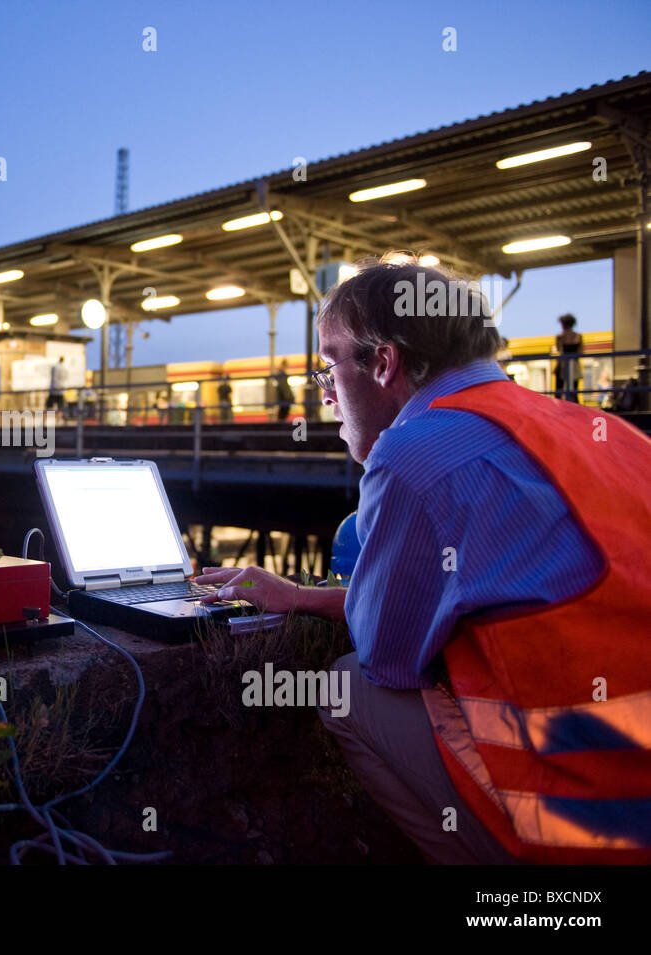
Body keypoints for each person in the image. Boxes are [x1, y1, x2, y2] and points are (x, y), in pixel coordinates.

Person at [196, 258, 651, 864]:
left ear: (384, 364)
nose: (325, 395)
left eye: (328, 368)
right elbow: (512, 591)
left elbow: (389, 660)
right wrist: (303, 595)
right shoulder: (602, 430)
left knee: (346, 687)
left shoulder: (411, 454)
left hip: (590, 824)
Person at [553, 313, 584, 402]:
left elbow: (559, 350)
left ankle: (558, 408)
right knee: (574, 391)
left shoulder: (559, 337)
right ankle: (576, 409)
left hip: (562, 365)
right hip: (574, 365)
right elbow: (581, 352)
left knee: (558, 390)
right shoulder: (578, 336)